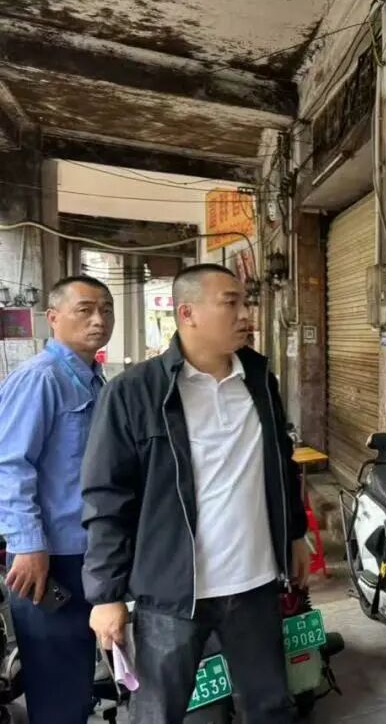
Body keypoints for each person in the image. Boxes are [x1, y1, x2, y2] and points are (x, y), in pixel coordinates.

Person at [81, 264, 309, 724]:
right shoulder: (134, 392)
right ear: (187, 314)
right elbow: (106, 498)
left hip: (254, 584)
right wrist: (106, 594)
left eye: (246, 302)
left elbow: (281, 464)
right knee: (157, 713)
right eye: (231, 303)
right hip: (172, 593)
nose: (246, 315)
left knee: (269, 707)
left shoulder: (260, 380)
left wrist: (295, 533)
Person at [0, 276, 114, 723]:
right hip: (49, 560)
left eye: (105, 309)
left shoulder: (93, 380)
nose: (99, 319)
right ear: (53, 318)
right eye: (85, 309)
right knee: (58, 686)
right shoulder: (40, 379)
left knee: (79, 676)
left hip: (89, 554)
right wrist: (28, 544)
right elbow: (10, 464)